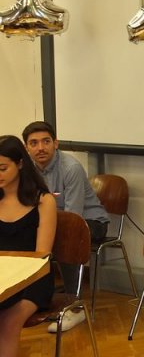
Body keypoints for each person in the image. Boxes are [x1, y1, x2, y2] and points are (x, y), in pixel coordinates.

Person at [21, 121, 110, 332]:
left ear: (56, 143)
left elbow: (73, 217)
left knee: (65, 237)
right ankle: (35, 300)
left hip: (90, 223)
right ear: (27, 148)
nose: (40, 148)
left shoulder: (71, 168)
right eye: (34, 143)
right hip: (54, 222)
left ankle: (75, 308)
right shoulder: (26, 169)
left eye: (46, 141)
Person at [0, 135, 57, 357]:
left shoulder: (43, 201)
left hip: (33, 278)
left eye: (3, 168)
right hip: (3, 276)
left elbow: (42, 256)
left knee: (8, 322)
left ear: (20, 164)